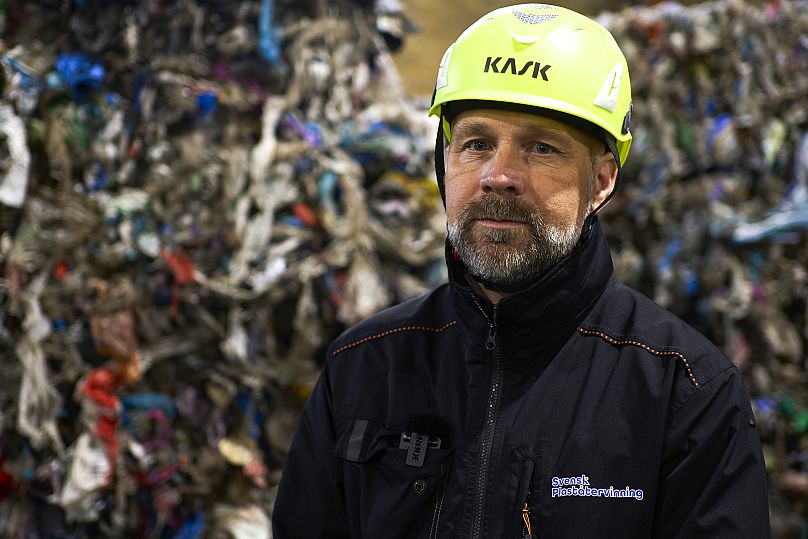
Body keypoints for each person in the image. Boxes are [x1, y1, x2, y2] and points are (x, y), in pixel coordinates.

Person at [272, 4, 770, 538]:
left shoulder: (684, 389)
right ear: (444, 162)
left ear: (601, 182)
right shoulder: (363, 367)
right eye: (477, 144)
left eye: (541, 147)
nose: (499, 175)